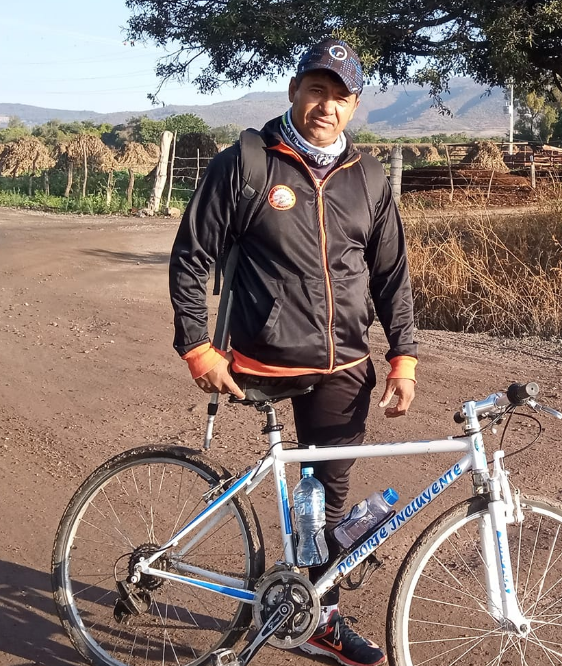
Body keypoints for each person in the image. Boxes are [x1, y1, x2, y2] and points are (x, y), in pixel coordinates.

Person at [168, 37, 416, 666]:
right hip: (264, 361)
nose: (325, 106)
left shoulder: (369, 178)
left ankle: (316, 616)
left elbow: (390, 273)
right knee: (310, 507)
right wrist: (198, 345)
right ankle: (206, 576)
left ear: (355, 105)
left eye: (340, 96)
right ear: (294, 91)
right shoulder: (248, 164)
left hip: (346, 368)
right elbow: (191, 256)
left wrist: (403, 353)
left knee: (330, 510)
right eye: (316, 90)